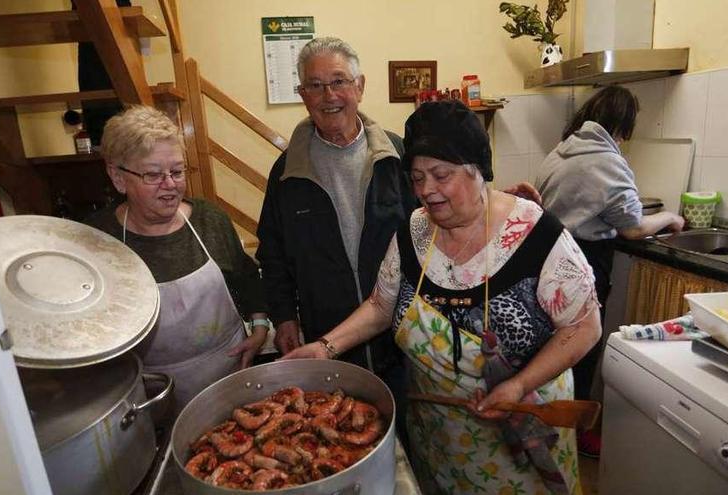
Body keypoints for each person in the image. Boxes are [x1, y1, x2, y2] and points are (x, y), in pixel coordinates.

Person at [283, 100, 602, 495]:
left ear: (477, 170)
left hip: (520, 428)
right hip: (438, 431)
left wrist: (519, 386)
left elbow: (584, 326)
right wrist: (325, 347)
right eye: (417, 178)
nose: (426, 191)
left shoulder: (535, 235)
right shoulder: (415, 231)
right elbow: (382, 305)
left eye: (440, 175)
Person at [256, 36, 414, 395]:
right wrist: (283, 317)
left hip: (402, 339)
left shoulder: (397, 155)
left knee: (406, 434)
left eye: (339, 81)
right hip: (327, 343)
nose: (329, 96)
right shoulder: (286, 173)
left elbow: (430, 226)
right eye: (315, 85)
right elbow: (273, 253)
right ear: (302, 94)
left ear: (359, 86)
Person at [87, 105, 268, 417]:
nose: (170, 185)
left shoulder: (210, 220)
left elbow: (246, 277)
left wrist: (261, 326)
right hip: (150, 394)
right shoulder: (99, 240)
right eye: (153, 174)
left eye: (177, 171)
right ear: (118, 177)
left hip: (228, 376)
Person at [535, 86, 684, 455]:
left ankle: (550, 425)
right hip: (585, 260)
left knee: (555, 347)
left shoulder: (559, 152)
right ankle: (577, 432)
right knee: (582, 348)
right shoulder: (607, 159)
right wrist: (670, 217)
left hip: (547, 260)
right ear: (622, 125)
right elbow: (633, 227)